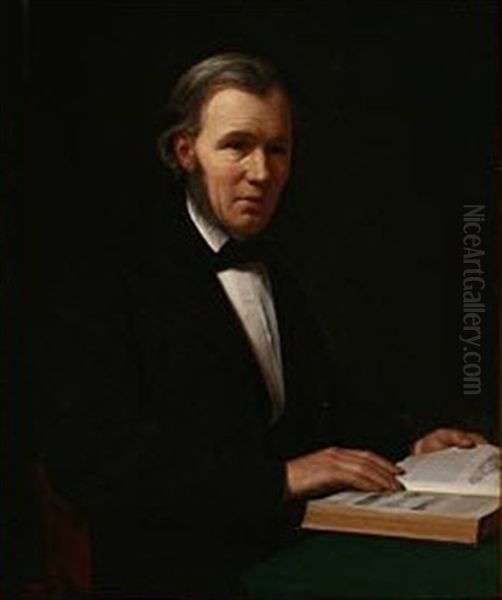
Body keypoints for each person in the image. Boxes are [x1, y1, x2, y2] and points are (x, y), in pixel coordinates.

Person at [25, 53, 486, 599]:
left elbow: (326, 406)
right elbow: (98, 463)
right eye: (236, 145)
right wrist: (280, 479)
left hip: (286, 544)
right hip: (175, 571)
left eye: (277, 149)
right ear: (185, 151)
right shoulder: (111, 279)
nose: (262, 172)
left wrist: (413, 441)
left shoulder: (273, 271)